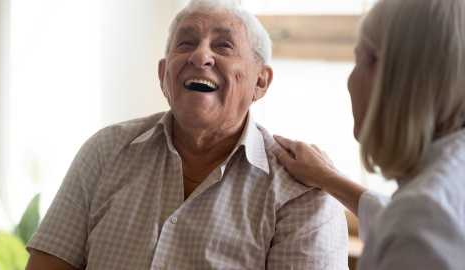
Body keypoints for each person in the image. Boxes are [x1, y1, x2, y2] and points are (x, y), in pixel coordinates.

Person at [25, 0, 348, 269]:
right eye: (186, 43)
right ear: (164, 74)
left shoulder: (300, 191)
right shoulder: (104, 151)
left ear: (260, 83)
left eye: (224, 45)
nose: (200, 56)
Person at [274, 0, 465, 268]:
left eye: (357, 58)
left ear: (382, 68)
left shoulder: (424, 220)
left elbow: (412, 222)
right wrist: (329, 178)